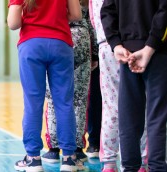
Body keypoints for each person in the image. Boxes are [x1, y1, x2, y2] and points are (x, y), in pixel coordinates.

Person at [7, 0, 81, 171]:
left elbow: (13, 23)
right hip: (61, 44)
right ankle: (69, 159)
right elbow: (76, 15)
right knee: (64, 103)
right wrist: (56, 19)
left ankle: (33, 159)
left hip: (31, 45)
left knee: (33, 103)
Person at [101, 0, 167, 171]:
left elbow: (107, 11)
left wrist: (116, 44)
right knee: (157, 114)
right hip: (157, 51)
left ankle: (130, 167)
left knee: (129, 113)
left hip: (128, 50)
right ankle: (156, 166)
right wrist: (150, 46)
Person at [89, 0, 148, 171]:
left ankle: (108, 161)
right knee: (140, 103)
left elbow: (95, 19)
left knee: (111, 105)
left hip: (108, 45)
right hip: (136, 42)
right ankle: (143, 159)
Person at [42, 0, 98, 167]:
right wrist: (94, 53)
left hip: (57, 37)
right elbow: (92, 23)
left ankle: (53, 149)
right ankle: (78, 149)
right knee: (80, 100)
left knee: (53, 98)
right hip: (82, 38)